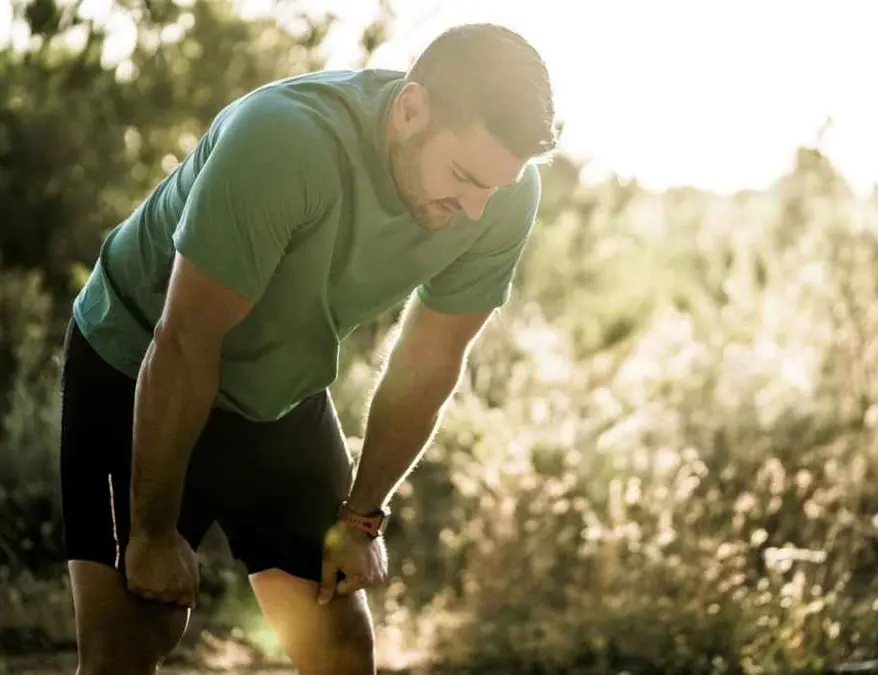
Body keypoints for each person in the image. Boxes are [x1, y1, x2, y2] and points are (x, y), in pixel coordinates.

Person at [58, 21, 557, 675]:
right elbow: (183, 341)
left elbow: (429, 361)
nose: (473, 209)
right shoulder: (283, 140)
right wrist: (151, 533)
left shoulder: (499, 197)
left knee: (342, 646)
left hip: (280, 384)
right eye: (463, 175)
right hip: (139, 362)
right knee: (132, 639)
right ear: (410, 110)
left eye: (491, 186)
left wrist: (360, 518)